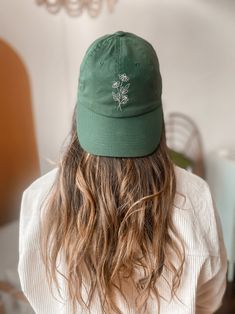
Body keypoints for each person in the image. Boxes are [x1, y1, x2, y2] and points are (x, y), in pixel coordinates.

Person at [18, 31, 227, 314]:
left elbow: (37, 293)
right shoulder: (196, 196)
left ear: (80, 113)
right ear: (157, 114)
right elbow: (208, 299)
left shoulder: (40, 199)